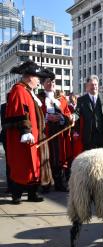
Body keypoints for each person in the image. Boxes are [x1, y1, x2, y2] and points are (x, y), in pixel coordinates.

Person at [4, 60, 53, 204]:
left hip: (35, 136)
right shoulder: (19, 90)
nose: (39, 81)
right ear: (30, 77)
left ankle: (32, 194)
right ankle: (16, 194)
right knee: (22, 165)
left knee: (34, 165)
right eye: (37, 78)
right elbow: (20, 112)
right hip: (23, 137)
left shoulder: (29, 92)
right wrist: (26, 131)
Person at [39, 70, 73, 191]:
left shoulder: (62, 99)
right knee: (45, 158)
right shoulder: (39, 99)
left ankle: (59, 183)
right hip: (45, 133)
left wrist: (61, 117)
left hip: (59, 134)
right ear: (43, 84)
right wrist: (47, 117)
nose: (52, 84)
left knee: (59, 158)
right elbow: (36, 115)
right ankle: (45, 184)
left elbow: (69, 116)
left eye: (53, 81)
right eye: (48, 81)